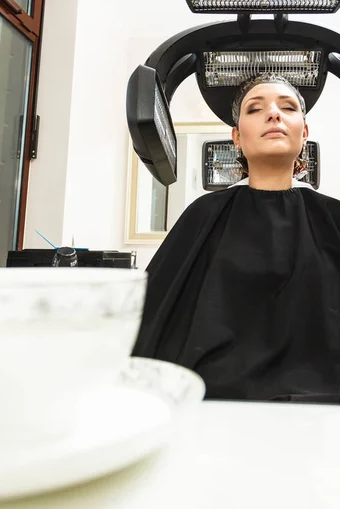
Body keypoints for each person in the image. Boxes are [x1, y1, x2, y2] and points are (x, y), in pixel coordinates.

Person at [132, 72, 340, 402]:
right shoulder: (204, 216)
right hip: (214, 405)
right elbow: (153, 323)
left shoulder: (333, 220)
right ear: (236, 138)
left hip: (326, 409)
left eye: (287, 107)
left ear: (305, 133)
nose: (273, 114)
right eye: (255, 109)